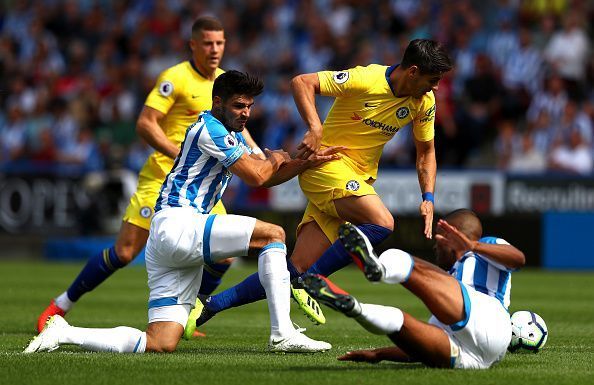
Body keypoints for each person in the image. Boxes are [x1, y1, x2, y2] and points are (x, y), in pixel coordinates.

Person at [24, 70, 337, 354]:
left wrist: (303, 163)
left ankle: (65, 333)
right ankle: (282, 333)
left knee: (160, 342)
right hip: (180, 223)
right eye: (240, 105)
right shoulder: (210, 129)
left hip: (169, 239)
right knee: (274, 235)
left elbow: (266, 177)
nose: (246, 113)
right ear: (218, 102)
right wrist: (277, 158)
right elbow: (258, 175)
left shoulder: (227, 132)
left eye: (250, 107)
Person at [192, 39, 453, 325]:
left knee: (294, 268)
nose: (437, 87)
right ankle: (312, 283)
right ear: (413, 71)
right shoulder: (366, 79)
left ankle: (211, 306)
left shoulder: (423, 101)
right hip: (326, 166)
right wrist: (315, 127)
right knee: (382, 223)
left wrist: (428, 197)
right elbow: (302, 82)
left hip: (355, 177)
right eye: (433, 80)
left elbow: (426, 152)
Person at [35, 16, 265, 334]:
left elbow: (240, 129)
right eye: (208, 43)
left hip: (199, 187)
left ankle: (189, 312)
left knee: (224, 257)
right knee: (126, 252)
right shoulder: (175, 77)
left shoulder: (224, 82)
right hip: (160, 178)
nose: (215, 49)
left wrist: (259, 155)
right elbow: (145, 123)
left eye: (220, 42)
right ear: (193, 45)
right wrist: (181, 154)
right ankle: (60, 305)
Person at [302, 209, 525, 369]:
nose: (436, 247)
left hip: (489, 317)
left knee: (404, 260)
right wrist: (379, 354)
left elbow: (518, 259)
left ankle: (379, 269)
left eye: (439, 240)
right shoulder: (448, 280)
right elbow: (417, 351)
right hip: (476, 358)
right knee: (399, 322)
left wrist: (473, 245)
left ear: (451, 235)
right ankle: (355, 308)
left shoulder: (484, 247)